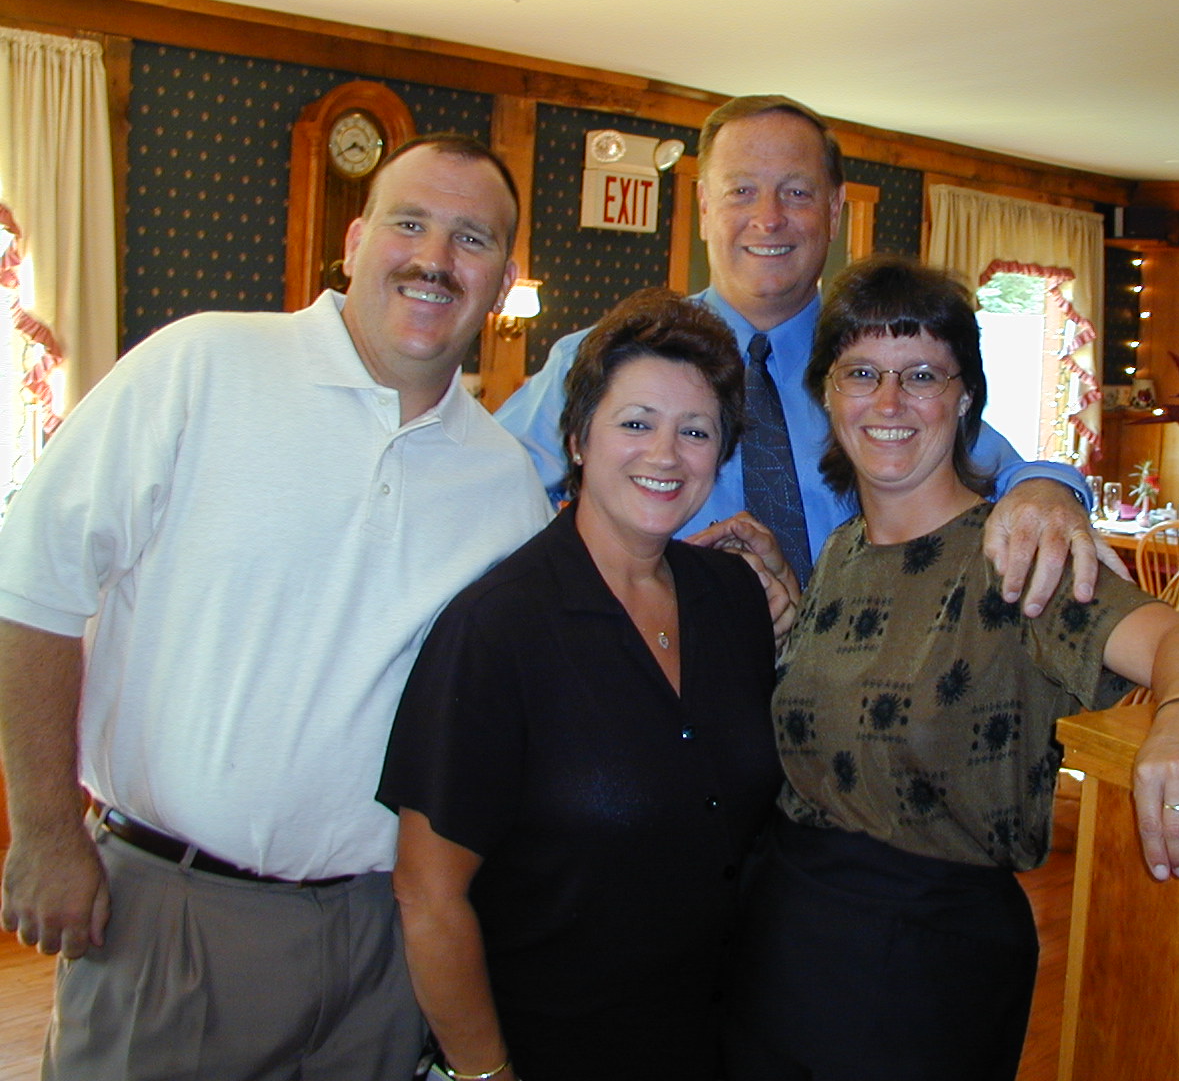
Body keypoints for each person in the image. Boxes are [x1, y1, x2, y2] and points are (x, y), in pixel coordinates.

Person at [0, 135, 553, 1081]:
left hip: (382, 941)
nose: (435, 258)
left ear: (501, 281)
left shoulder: (506, 485)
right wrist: (46, 829)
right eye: (410, 222)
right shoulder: (203, 364)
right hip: (174, 917)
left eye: (472, 239)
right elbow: (32, 587)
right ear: (356, 237)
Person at [723, 256, 1179, 1081]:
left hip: (922, 973)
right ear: (828, 393)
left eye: (921, 374)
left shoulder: (1017, 553)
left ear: (964, 397)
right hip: (782, 939)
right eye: (862, 373)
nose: (889, 404)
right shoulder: (845, 550)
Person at [494, 94, 1115, 613]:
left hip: (858, 706)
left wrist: (1047, 490)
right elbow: (493, 488)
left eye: (796, 193)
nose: (769, 219)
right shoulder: (610, 359)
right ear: (706, 209)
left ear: (835, 211)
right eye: (741, 191)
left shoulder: (878, 375)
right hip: (664, 683)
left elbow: (1000, 471)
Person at [379, 288, 782, 1081]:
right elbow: (428, 897)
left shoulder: (733, 600)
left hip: (718, 1041)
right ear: (576, 439)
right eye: (636, 424)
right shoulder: (498, 630)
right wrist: (485, 1074)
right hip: (551, 1046)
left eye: (695, 431)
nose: (665, 455)